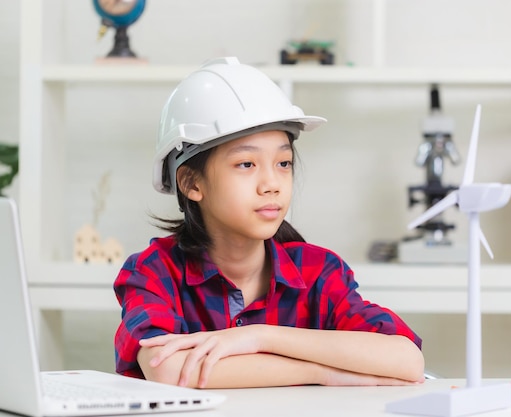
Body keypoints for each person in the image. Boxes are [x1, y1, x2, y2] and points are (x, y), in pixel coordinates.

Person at [114, 57, 425, 389]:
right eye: (247, 164)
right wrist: (321, 372)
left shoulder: (318, 272)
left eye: (283, 163)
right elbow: (168, 370)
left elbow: (406, 361)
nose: (272, 184)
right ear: (192, 183)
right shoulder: (155, 272)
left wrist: (259, 337)